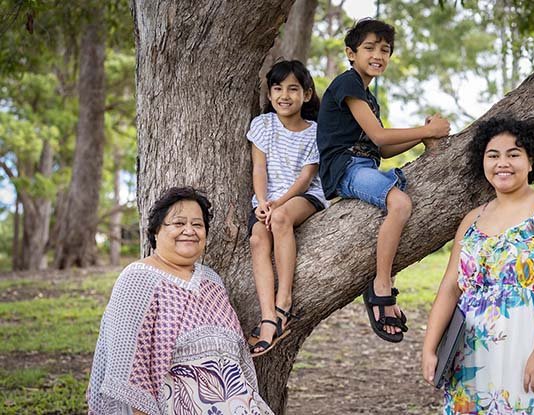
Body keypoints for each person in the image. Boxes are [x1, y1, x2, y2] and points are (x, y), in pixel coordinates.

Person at [421, 117, 534, 414]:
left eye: (514, 154)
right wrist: (429, 347)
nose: (503, 163)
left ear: (531, 162)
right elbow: (451, 287)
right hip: (472, 352)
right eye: (493, 155)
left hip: (529, 342)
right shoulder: (471, 220)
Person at [317, 18, 451, 343]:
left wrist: (421, 138)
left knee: (401, 197)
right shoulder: (348, 84)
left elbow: (384, 148)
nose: (378, 54)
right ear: (351, 53)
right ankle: (380, 285)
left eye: (385, 49)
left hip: (364, 165)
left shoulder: (368, 96)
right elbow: (378, 134)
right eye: (369, 48)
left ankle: (380, 279)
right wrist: (428, 131)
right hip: (346, 167)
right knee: (400, 202)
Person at [87, 186, 273, 415]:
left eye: (197, 224)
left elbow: (237, 357)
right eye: (178, 223)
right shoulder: (137, 278)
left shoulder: (212, 281)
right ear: (156, 231)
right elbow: (126, 371)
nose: (189, 230)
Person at [246, 60, 328, 356]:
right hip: (266, 201)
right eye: (278, 88)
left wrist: (277, 204)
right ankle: (269, 317)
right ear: (269, 95)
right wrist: (261, 201)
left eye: (293, 89)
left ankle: (284, 301)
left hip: (302, 197)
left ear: (306, 95)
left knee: (280, 219)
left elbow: (306, 178)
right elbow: (259, 168)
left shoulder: (315, 131)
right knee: (257, 238)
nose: (284, 95)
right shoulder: (263, 125)